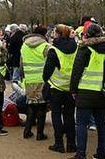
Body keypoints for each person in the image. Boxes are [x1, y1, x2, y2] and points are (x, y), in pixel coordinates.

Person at [70, 24, 105, 159]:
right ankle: (101, 154)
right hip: (102, 91)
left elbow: (77, 70)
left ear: (87, 34)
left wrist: (73, 89)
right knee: (102, 125)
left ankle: (81, 154)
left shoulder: (84, 49)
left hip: (85, 90)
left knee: (81, 124)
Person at [44, 24, 78, 153]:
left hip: (56, 87)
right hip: (71, 87)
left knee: (56, 115)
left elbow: (47, 70)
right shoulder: (76, 47)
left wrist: (46, 79)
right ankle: (71, 144)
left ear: (57, 34)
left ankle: (59, 143)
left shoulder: (54, 49)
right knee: (69, 116)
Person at [20, 25, 50, 140]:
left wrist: (23, 76)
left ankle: (27, 131)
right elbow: (49, 64)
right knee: (42, 107)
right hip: (42, 79)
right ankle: (40, 133)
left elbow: (21, 64)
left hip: (29, 79)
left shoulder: (24, 46)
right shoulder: (46, 46)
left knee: (31, 105)